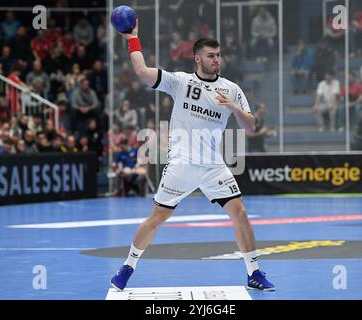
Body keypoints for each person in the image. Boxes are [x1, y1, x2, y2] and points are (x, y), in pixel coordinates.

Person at [110, 20, 275, 292]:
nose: (216, 60)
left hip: (213, 166)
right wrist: (133, 38)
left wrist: (234, 107)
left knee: (240, 214)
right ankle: (127, 267)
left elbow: (250, 126)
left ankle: (254, 273)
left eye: (218, 55)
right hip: (182, 164)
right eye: (211, 56)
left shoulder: (231, 89)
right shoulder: (180, 82)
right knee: (158, 217)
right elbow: (141, 71)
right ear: (197, 59)